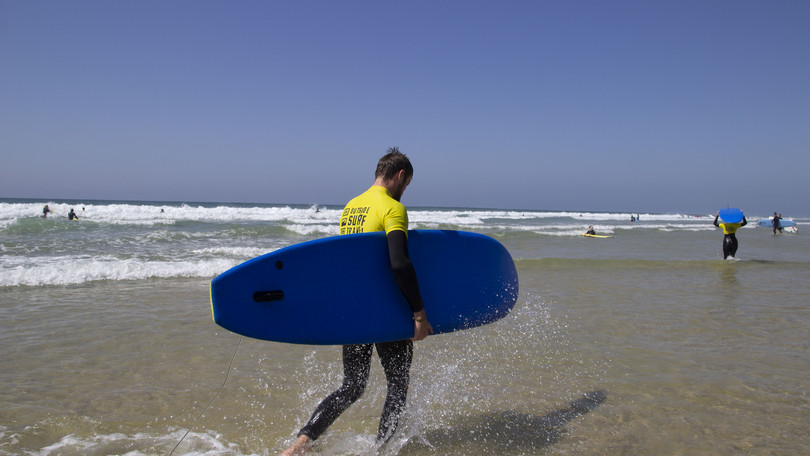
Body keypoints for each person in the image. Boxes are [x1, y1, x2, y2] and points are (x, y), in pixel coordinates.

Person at [281, 148, 433, 456]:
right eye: (407, 184)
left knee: (352, 386)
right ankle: (380, 450)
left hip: (353, 313)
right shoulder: (392, 208)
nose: (405, 192)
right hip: (385, 311)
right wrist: (419, 313)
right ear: (401, 176)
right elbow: (400, 264)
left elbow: (352, 264)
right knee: (398, 385)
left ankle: (301, 443)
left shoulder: (351, 208)